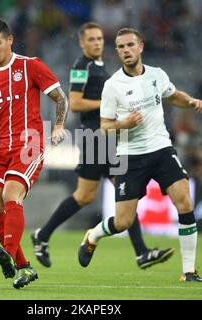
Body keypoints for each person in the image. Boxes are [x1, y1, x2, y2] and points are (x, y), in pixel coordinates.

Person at [31, 22, 174, 269]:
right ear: (82, 43)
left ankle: (141, 253)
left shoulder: (99, 66)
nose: (97, 43)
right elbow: (74, 102)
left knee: (123, 193)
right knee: (86, 196)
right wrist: (108, 104)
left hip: (109, 139)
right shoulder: (81, 67)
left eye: (99, 38)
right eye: (91, 39)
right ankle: (42, 235)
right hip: (94, 139)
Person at [77, 28, 202, 282]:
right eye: (120, 47)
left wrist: (191, 101)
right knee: (124, 221)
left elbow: (173, 96)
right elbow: (105, 125)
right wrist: (124, 124)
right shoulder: (113, 86)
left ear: (140, 47)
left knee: (184, 201)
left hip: (161, 150)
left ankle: (189, 271)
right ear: (117, 51)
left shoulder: (157, 75)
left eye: (130, 45)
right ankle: (93, 235)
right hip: (130, 156)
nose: (125, 50)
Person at [0, 18, 68, 289]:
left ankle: (8, 251)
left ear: (10, 41)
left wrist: (58, 126)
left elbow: (60, 97)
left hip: (28, 145)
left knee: (10, 194)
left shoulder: (30, 65)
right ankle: (23, 266)